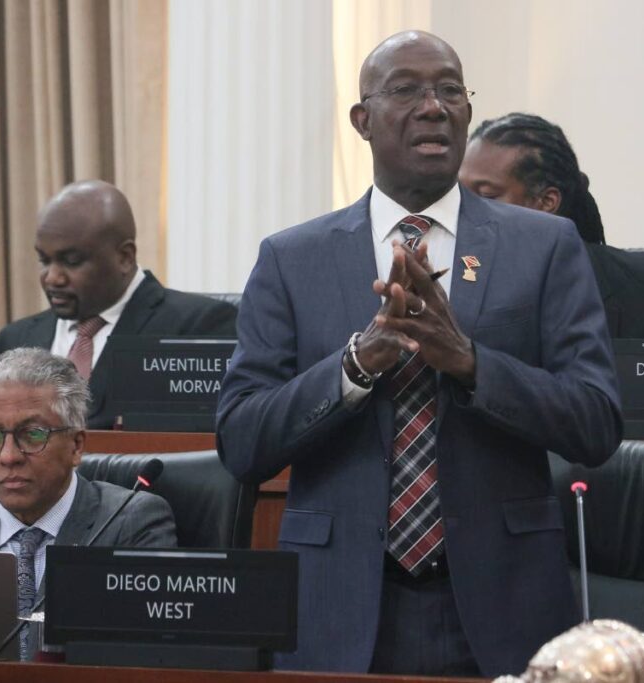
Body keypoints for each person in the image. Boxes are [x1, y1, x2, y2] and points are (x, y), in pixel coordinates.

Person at [217, 31, 621, 677]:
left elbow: (595, 422)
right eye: (406, 90)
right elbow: (242, 441)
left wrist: (469, 362)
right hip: (340, 606)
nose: (434, 106)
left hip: (502, 602)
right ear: (363, 119)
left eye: (450, 89)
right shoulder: (293, 258)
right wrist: (356, 365)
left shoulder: (544, 246)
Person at [0, 347, 176, 658]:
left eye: (32, 434)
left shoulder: (129, 523)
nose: (8, 456)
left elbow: (144, 658)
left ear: (76, 445)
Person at [0, 180, 238, 429]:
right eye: (44, 261)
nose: (52, 277)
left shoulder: (202, 328)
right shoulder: (8, 344)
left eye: (71, 261)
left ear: (125, 257)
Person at [460, 112, 644, 340]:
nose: (464, 210)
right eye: (460, 195)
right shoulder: (454, 281)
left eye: (485, 196)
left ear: (546, 202)